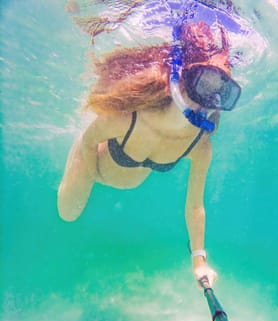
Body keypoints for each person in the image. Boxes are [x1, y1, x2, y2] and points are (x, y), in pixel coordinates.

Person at [57, 21, 242, 286]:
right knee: (68, 212)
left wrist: (199, 262)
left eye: (221, 93)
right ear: (182, 79)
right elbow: (90, 140)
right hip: (93, 156)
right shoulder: (130, 118)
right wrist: (90, 170)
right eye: (204, 84)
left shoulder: (199, 146)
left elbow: (195, 206)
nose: (207, 101)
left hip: (126, 177)